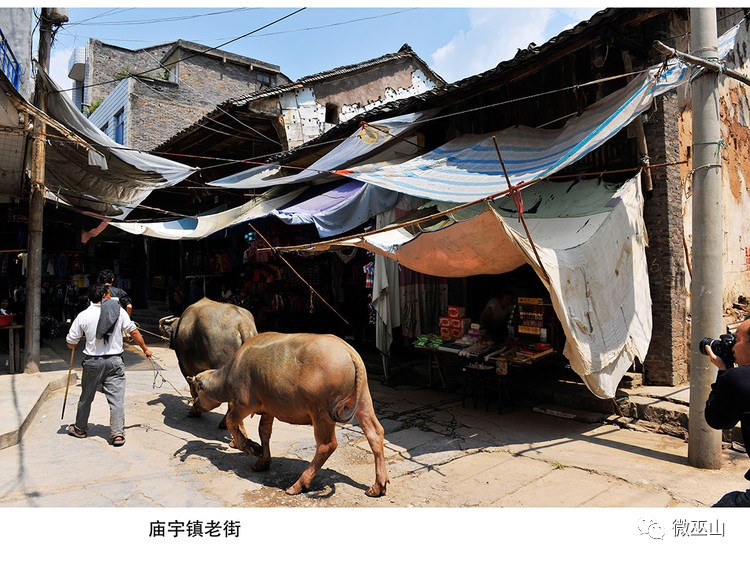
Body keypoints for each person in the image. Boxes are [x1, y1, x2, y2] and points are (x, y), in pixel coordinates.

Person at [65, 283, 152, 446]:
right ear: (105, 296)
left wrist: (74, 343)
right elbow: (133, 331)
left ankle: (79, 428)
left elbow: (71, 342)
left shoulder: (83, 315)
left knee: (86, 397)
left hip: (92, 362)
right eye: (109, 294)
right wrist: (145, 349)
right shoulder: (119, 312)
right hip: (115, 361)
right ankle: (117, 434)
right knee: (117, 399)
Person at [704, 317, 750, 507]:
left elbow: (717, 419)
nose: (731, 347)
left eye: (736, 340)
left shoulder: (737, 379)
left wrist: (723, 371)